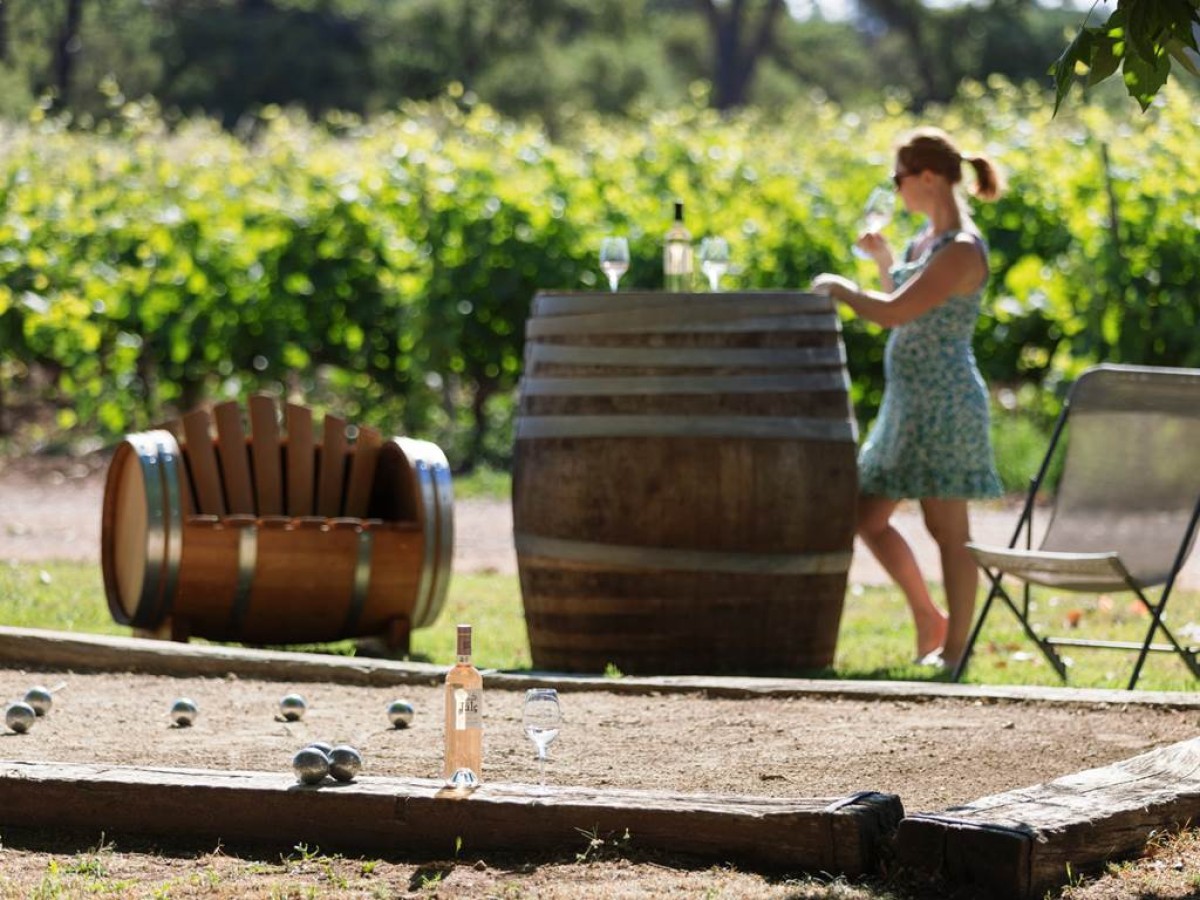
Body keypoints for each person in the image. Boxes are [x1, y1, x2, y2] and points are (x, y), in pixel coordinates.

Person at [811, 127, 1004, 669]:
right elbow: (903, 292)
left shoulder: (962, 250)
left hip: (945, 405)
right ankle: (929, 617)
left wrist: (843, 289)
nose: (895, 191)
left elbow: (896, 312)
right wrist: (883, 261)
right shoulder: (927, 242)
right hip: (907, 404)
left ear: (927, 177)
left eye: (898, 179)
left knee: (948, 530)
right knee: (866, 516)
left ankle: (957, 652)